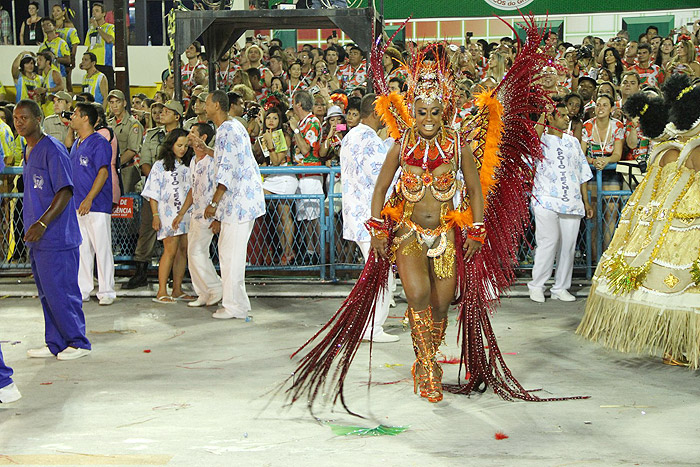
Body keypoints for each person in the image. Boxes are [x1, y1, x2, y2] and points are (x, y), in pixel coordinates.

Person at [578, 75, 700, 368]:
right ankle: (680, 346)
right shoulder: (685, 148)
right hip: (682, 226)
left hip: (668, 223)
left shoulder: (668, 147)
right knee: (682, 289)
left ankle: (678, 346)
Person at [14, 99, 91, 361]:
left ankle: (78, 342)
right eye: (15, 118)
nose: (19, 123)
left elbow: (65, 190)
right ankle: (55, 342)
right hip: (38, 239)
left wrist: (43, 222)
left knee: (62, 291)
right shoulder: (29, 149)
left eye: (24, 117)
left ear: (38, 119)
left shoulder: (53, 149)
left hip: (57, 236)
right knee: (47, 292)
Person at [191, 90, 265, 320]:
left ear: (215, 105)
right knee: (229, 254)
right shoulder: (234, 126)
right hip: (240, 201)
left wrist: (214, 202)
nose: (204, 106)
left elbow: (227, 170)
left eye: (206, 102)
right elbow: (228, 158)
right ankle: (237, 303)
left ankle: (235, 307)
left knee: (231, 256)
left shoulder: (226, 130)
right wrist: (207, 150)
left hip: (238, 202)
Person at [339, 94, 399, 343]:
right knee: (381, 273)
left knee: (376, 271)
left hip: (358, 215)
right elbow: (384, 180)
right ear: (376, 113)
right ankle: (372, 327)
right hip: (371, 218)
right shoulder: (369, 140)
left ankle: (365, 323)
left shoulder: (351, 135)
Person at [529, 98, 594, 303]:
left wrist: (585, 200)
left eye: (568, 116)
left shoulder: (573, 141)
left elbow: (582, 172)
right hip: (545, 198)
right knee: (548, 242)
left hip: (572, 201)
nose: (567, 119)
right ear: (551, 117)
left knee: (568, 246)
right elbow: (531, 145)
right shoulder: (541, 138)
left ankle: (560, 287)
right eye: (563, 115)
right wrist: (542, 116)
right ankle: (537, 285)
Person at [122, 101, 182, 290]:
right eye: (161, 111)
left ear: (177, 116)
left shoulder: (185, 135)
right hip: (155, 189)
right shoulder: (153, 135)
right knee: (147, 227)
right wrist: (158, 179)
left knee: (180, 232)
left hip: (179, 190)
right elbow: (145, 161)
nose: (162, 114)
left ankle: (177, 275)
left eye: (167, 111)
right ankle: (141, 271)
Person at [69, 102, 115, 306]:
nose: (71, 118)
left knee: (102, 247)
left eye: (75, 114)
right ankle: (83, 288)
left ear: (85, 118)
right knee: (82, 248)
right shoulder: (77, 143)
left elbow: (103, 172)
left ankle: (107, 291)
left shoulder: (99, 142)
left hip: (96, 205)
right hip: (78, 204)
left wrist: (89, 198)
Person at [172, 123, 222, 307]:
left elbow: (220, 187)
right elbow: (193, 190)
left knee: (197, 252)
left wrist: (217, 216)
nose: (189, 135)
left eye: (193, 132)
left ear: (204, 138)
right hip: (196, 213)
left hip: (209, 213)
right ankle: (203, 292)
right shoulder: (194, 161)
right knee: (194, 254)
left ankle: (215, 288)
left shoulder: (212, 160)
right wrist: (181, 213)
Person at [141, 128, 192, 303]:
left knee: (183, 250)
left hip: (185, 213)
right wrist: (155, 215)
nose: (183, 149)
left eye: (186, 145)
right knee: (169, 250)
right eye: (179, 145)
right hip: (167, 213)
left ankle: (177, 289)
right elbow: (152, 193)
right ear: (171, 145)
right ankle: (162, 290)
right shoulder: (159, 165)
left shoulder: (189, 165)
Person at [288, 90, 323, 264]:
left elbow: (306, 150)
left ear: (298, 104)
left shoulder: (313, 122)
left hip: (311, 174)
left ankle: (320, 253)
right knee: (304, 218)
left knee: (314, 217)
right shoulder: (302, 123)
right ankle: (310, 252)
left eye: (294, 103)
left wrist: (294, 129)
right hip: (301, 174)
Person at [260, 106, 297, 265]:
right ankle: (279, 250)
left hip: (285, 177)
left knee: (284, 216)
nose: (271, 121)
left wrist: (269, 144)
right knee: (276, 219)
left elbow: (276, 161)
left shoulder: (285, 136)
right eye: (268, 118)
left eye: (275, 118)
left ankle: (288, 252)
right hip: (271, 178)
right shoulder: (264, 135)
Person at [107, 89, 144, 194]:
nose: (114, 106)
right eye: (112, 102)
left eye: (118, 102)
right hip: (111, 169)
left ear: (124, 103)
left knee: (125, 201)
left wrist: (114, 164)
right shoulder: (109, 124)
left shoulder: (133, 124)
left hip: (126, 169)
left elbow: (132, 150)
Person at [84, 2, 115, 89]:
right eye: (93, 11)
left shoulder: (110, 27)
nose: (94, 13)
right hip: (93, 65)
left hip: (104, 64)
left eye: (97, 11)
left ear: (103, 14)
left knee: (107, 89)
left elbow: (109, 39)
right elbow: (88, 47)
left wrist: (98, 27)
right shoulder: (90, 30)